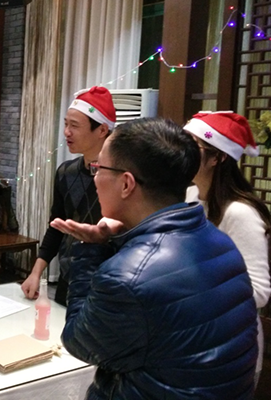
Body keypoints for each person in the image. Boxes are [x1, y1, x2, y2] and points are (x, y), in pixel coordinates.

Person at [53, 117, 259, 399]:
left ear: (126, 184)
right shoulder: (219, 240)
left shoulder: (127, 276)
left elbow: (79, 341)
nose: (95, 177)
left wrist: (90, 249)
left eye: (99, 168)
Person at [184, 111, 271, 382]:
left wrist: (193, 288)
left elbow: (259, 292)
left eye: (192, 146)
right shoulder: (190, 196)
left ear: (217, 158)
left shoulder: (240, 213)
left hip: (231, 344)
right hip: (193, 335)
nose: (182, 153)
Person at [21, 86, 115, 305]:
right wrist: (36, 272)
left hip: (105, 285)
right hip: (68, 278)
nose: (66, 132)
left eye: (74, 125)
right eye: (66, 124)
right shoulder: (66, 172)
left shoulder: (120, 177)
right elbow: (56, 226)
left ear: (102, 130)